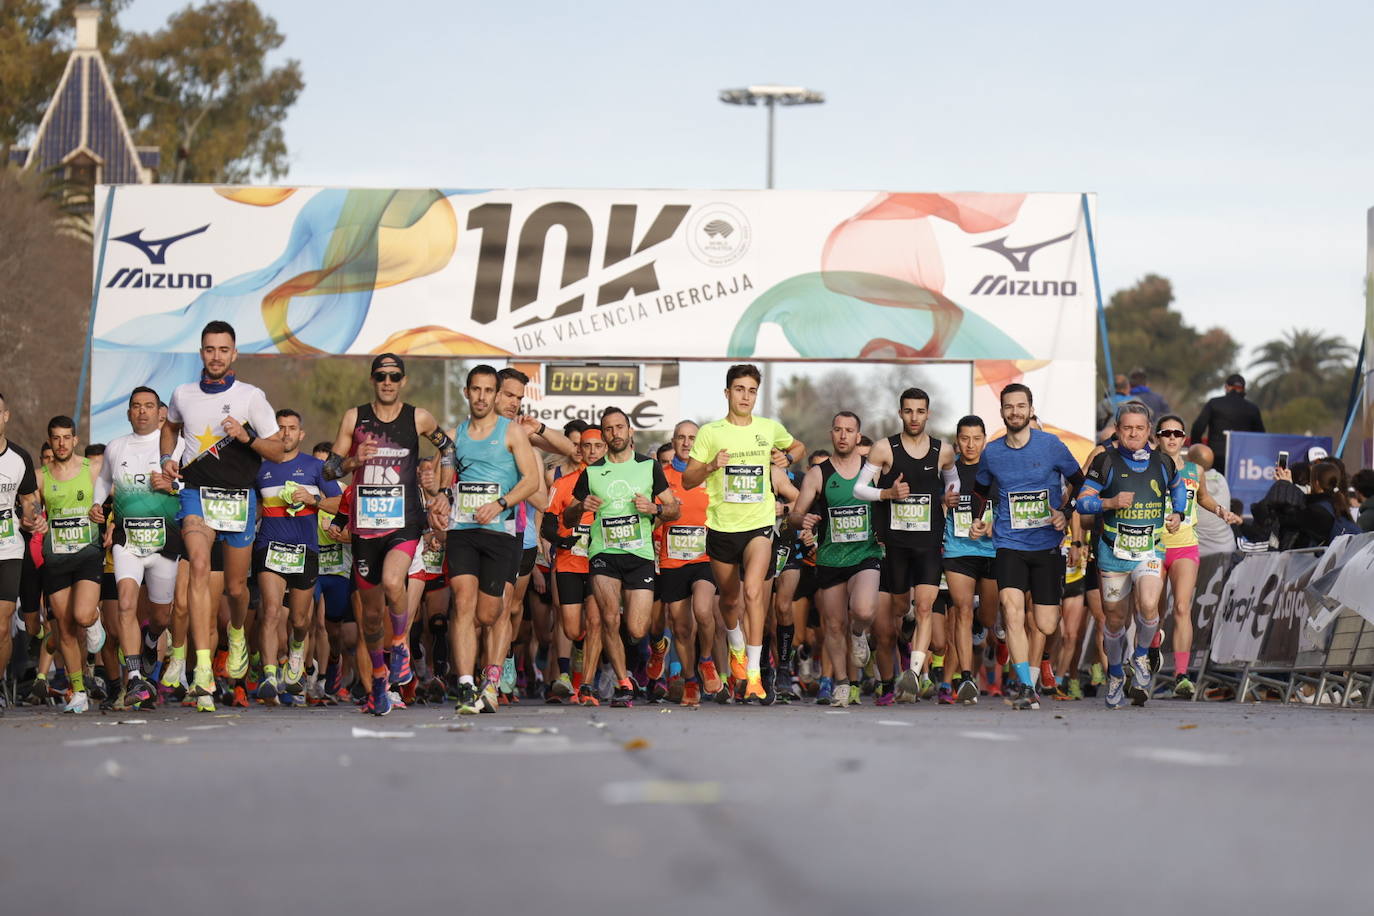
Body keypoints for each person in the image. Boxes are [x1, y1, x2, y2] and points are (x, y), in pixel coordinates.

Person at [160, 320, 287, 711]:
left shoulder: (251, 397)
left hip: (238, 500)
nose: (216, 356)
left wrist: (247, 437)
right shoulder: (182, 393)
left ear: (234, 354)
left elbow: (279, 450)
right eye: (209, 349)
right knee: (198, 565)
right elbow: (170, 427)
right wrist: (168, 457)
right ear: (201, 352)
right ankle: (200, 669)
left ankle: (235, 633)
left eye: (223, 350)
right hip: (197, 494)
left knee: (235, 589)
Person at [325, 354, 451, 715]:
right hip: (366, 526)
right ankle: (379, 683)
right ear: (373, 379)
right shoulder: (355, 417)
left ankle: (400, 645)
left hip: (404, 521)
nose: (388, 382)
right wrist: (352, 461)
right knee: (370, 618)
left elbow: (448, 448)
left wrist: (443, 491)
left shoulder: (418, 417)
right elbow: (329, 467)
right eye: (381, 375)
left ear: (403, 381)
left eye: (394, 376)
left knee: (395, 583)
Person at [684, 364, 805, 702]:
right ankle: (736, 645)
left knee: (754, 592)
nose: (745, 396)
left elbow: (798, 446)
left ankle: (753, 675)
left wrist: (786, 457)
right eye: (739, 389)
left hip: (759, 524)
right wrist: (710, 466)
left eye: (751, 390)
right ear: (727, 393)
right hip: (722, 527)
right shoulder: (711, 432)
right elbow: (688, 479)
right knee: (731, 601)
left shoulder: (768, 428)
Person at [969, 384, 1085, 711]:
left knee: (1046, 624)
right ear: (1002, 411)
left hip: (1047, 545)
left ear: (1030, 409)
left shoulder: (1051, 446)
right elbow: (979, 492)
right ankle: (1024, 686)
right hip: (1008, 543)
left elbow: (1081, 481)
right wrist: (980, 518)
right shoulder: (992, 452)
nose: (1015, 412)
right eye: (1009, 406)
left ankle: (1034, 670)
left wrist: (1065, 512)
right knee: (1012, 609)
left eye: (1021, 406)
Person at [437, 365, 541, 715]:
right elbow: (444, 482)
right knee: (462, 603)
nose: (481, 397)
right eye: (475, 389)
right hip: (463, 531)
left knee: (490, 612)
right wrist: (440, 500)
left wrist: (500, 503)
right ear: (466, 392)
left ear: (496, 395)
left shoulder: (512, 433)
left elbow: (530, 482)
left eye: (488, 390)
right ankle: (466, 685)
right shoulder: (454, 436)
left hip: (501, 533)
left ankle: (492, 680)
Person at [564, 407, 678, 707]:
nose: (615, 433)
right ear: (604, 435)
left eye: (619, 427)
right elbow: (567, 515)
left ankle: (649, 653)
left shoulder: (648, 467)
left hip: (638, 555)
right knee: (609, 618)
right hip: (604, 553)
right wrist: (580, 507)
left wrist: (653, 509)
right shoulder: (591, 472)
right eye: (609, 429)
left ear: (630, 432)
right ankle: (623, 682)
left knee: (637, 629)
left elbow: (673, 508)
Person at [1075, 403, 1188, 708]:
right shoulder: (1105, 461)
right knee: (1114, 620)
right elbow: (1081, 503)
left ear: (1149, 430)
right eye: (1127, 428)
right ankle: (1114, 673)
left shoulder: (1164, 461)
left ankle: (1140, 655)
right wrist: (1109, 503)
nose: (1134, 433)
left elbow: (1177, 489)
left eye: (1139, 428)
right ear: (1118, 429)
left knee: (1150, 604)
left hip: (1149, 549)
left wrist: (1177, 513)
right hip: (1112, 553)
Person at [852, 388, 959, 704]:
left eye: (920, 411)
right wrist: (886, 494)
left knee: (925, 606)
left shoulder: (943, 451)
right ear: (901, 413)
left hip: (927, 543)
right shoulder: (884, 449)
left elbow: (954, 481)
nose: (914, 417)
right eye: (908, 411)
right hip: (895, 546)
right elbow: (859, 488)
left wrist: (949, 495)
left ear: (929, 413)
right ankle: (907, 618)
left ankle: (912, 672)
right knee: (900, 610)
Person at [90, 387, 183, 709]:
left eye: (148, 406)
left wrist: (173, 485)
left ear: (160, 411)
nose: (142, 411)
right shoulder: (116, 447)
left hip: (165, 543)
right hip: (127, 542)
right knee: (126, 605)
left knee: (160, 617)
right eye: (136, 406)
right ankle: (134, 679)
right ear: (128, 412)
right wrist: (96, 504)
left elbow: (194, 485)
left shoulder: (176, 446)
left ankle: (151, 641)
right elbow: (102, 480)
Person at [790, 412, 882, 707]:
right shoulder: (819, 474)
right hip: (830, 557)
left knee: (864, 610)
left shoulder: (872, 470)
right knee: (832, 625)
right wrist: (802, 518)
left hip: (865, 553)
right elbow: (795, 514)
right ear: (831, 434)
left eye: (850, 430)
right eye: (838, 430)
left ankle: (858, 633)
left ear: (858, 436)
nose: (843, 435)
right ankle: (842, 681)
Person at [253, 409, 341, 702]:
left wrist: (314, 499)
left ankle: (296, 657)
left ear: (301, 434)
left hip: (305, 550)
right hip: (270, 546)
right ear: (274, 433)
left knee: (301, 621)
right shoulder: (261, 468)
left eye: (292, 428)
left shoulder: (316, 467)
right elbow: (250, 507)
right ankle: (268, 674)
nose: (286, 433)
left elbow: (339, 503)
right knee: (270, 610)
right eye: (281, 428)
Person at [1153, 415, 1241, 699]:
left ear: (1184, 439)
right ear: (1157, 437)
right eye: (1166, 433)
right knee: (1151, 611)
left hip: (1185, 545)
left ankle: (1182, 675)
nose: (1172, 438)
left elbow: (1202, 497)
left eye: (1177, 433)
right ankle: (1150, 649)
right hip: (1153, 545)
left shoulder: (1194, 470)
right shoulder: (1147, 466)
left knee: (1181, 608)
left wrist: (1222, 512)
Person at [35, 415, 106, 714]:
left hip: (88, 554)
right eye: (56, 438)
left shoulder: (93, 470)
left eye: (67, 437)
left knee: (81, 615)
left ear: (75, 440)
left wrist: (107, 518)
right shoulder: (41, 476)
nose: (62, 443)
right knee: (63, 627)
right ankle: (77, 690)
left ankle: (94, 619)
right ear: (50, 441)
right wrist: (33, 520)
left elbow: (115, 497)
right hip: (57, 558)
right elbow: (30, 507)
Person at [656, 421, 718, 707]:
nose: (686, 442)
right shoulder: (661, 475)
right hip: (672, 559)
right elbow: (652, 513)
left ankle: (706, 659)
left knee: (703, 610)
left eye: (692, 438)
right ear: (673, 440)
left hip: (705, 557)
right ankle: (691, 679)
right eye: (680, 437)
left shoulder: (711, 474)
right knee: (681, 628)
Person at [940, 415, 998, 705]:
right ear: (957, 440)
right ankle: (965, 677)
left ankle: (981, 627)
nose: (971, 444)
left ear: (984, 440)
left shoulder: (995, 470)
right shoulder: (948, 471)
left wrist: (992, 525)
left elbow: (1007, 507)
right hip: (958, 551)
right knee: (962, 610)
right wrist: (942, 502)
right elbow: (932, 504)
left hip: (991, 551)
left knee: (986, 617)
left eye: (976, 438)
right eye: (965, 438)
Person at [0, 392, 41, 711]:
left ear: (6, 416)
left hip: (8, 548)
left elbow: (30, 499)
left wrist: (33, 517)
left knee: (2, 625)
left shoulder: (19, 457)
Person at [1190, 373, 1264, 472]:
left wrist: (1198, 451)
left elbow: (1197, 428)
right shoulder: (1252, 409)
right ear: (1243, 389)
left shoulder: (1214, 403)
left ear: (1226, 387)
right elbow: (1261, 436)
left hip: (1215, 457)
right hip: (1242, 461)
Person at [1189, 444, 1237, 556]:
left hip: (1201, 552)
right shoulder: (1221, 478)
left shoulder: (1190, 482)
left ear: (1190, 461)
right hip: (1227, 546)